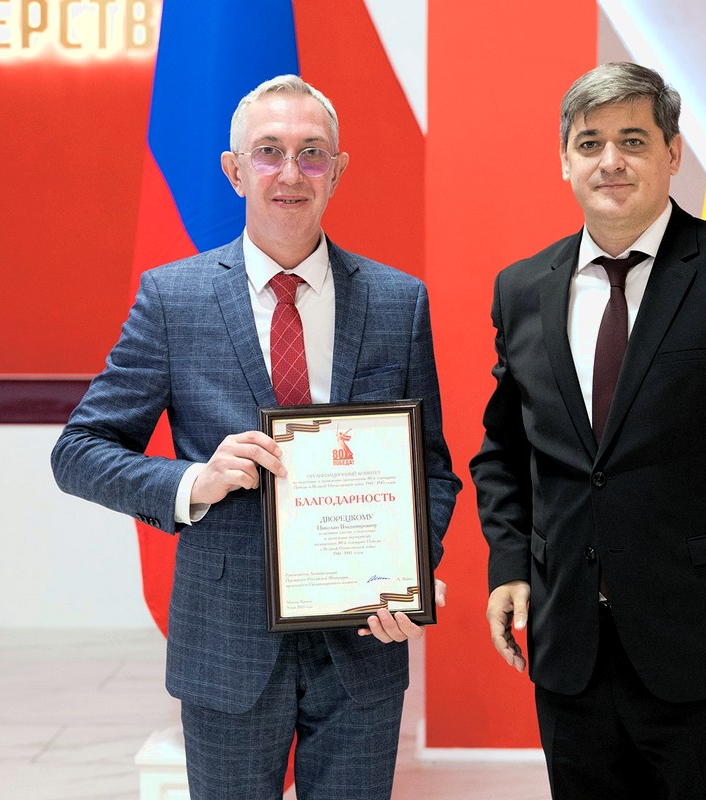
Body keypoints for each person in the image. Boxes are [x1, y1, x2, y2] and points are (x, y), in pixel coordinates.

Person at [51, 75, 460, 800]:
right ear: (235, 170)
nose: (291, 172)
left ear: (338, 169)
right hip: (227, 645)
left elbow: (430, 471)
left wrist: (412, 571)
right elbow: (79, 451)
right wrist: (193, 481)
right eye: (268, 152)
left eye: (312, 153)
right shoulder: (173, 299)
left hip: (363, 641)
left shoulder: (398, 301)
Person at [470, 62, 706, 800]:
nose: (610, 161)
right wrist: (511, 562)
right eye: (589, 143)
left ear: (672, 152)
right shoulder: (521, 289)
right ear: (564, 160)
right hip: (573, 659)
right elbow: (504, 451)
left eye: (633, 140)